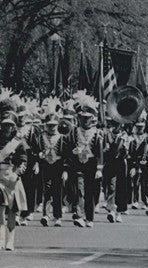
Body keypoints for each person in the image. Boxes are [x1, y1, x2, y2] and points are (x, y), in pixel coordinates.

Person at [0, 110, 28, 250]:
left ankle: (10, 240)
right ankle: (0, 239)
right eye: (4, 125)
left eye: (9, 126)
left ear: (14, 127)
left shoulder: (19, 143)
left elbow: (23, 162)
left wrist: (16, 174)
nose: (6, 128)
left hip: (12, 176)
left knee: (12, 209)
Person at [69, 96, 103, 227]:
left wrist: (99, 169)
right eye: (82, 118)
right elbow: (70, 146)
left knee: (90, 192)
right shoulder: (74, 132)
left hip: (91, 165)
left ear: (92, 119)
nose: (85, 120)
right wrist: (73, 152)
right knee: (79, 190)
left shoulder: (97, 133)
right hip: (78, 165)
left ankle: (89, 218)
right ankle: (79, 215)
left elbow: (99, 152)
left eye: (87, 118)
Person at [37, 109, 69, 227]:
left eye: (54, 126)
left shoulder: (62, 138)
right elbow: (37, 150)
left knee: (57, 191)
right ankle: (45, 214)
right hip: (45, 166)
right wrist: (39, 155)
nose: (51, 128)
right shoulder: (41, 137)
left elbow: (66, 155)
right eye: (49, 125)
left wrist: (65, 170)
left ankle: (57, 216)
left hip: (58, 166)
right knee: (46, 190)